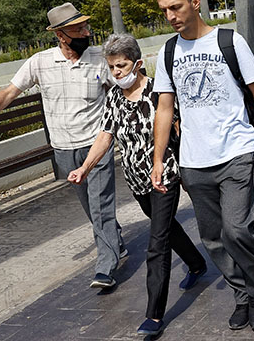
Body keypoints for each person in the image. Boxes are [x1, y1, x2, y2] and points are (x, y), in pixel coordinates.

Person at [151, 0, 254, 333]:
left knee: (237, 230)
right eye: (164, 10)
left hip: (235, 151)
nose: (170, 16)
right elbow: (164, 108)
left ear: (195, 2)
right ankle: (241, 294)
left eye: (176, 7)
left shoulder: (229, 41)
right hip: (193, 160)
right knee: (213, 238)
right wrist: (158, 160)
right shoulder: (168, 52)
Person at [0, 3, 124, 289]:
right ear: (61, 35)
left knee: (101, 205)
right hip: (64, 149)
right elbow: (10, 92)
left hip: (96, 145)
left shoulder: (100, 59)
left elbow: (123, 90)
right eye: (78, 29)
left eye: (85, 27)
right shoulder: (40, 62)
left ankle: (106, 267)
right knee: (91, 207)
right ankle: (115, 241)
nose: (86, 33)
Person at [67, 33, 207, 337]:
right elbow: (105, 136)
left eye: (121, 65)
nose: (116, 72)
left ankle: (154, 316)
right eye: (111, 67)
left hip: (165, 175)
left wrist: (190, 170)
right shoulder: (114, 98)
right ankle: (197, 264)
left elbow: (181, 129)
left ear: (138, 63)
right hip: (136, 179)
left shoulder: (160, 91)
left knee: (157, 244)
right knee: (166, 227)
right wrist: (84, 168)